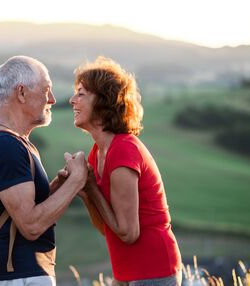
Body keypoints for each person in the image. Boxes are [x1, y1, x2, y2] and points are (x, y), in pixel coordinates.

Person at [0, 56, 88, 286]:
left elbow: (21, 210)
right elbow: (31, 226)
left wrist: (56, 187)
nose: (53, 100)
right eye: (47, 90)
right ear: (22, 93)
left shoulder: (12, 143)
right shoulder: (4, 146)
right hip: (18, 278)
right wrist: (77, 180)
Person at [69, 56, 182, 286]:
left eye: (81, 94)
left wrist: (91, 187)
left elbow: (129, 233)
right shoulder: (97, 153)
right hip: (128, 272)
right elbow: (106, 228)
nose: (72, 100)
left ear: (103, 101)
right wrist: (87, 194)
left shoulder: (123, 150)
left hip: (153, 270)